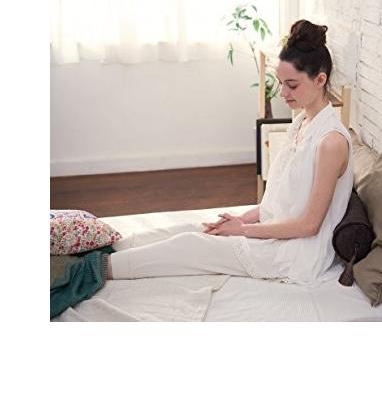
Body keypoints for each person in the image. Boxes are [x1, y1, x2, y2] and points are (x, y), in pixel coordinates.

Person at [106, 19, 353, 286]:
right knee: (198, 229)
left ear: (320, 80)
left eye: (292, 85)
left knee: (190, 244)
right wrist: (240, 219)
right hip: (276, 230)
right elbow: (279, 203)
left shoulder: (331, 142)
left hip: (295, 251)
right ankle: (106, 246)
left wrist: (243, 230)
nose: (283, 93)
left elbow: (309, 225)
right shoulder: (302, 122)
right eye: (281, 83)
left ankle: (93, 270)